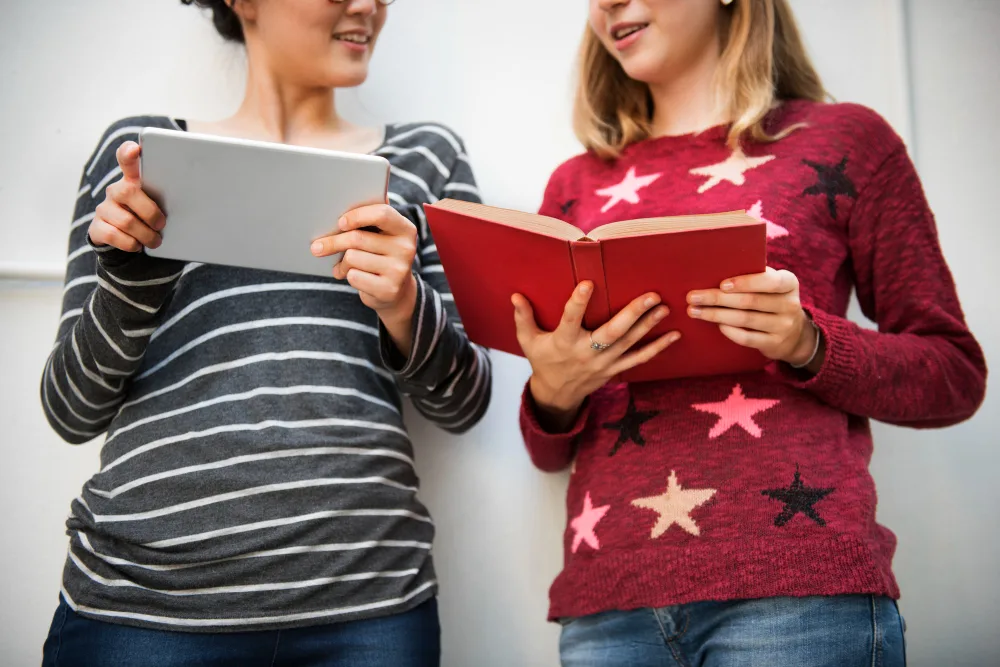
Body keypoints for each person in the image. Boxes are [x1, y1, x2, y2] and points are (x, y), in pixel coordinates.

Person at [513, 0, 986, 665]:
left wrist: (807, 341)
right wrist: (553, 390)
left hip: (797, 593)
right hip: (607, 608)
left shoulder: (845, 140)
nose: (607, 5)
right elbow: (545, 449)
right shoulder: (575, 184)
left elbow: (955, 375)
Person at [40, 1, 491, 665]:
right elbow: (71, 409)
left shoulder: (427, 158)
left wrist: (403, 303)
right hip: (141, 605)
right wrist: (131, 283)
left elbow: (466, 401)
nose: (367, 5)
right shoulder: (140, 160)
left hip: (368, 607)